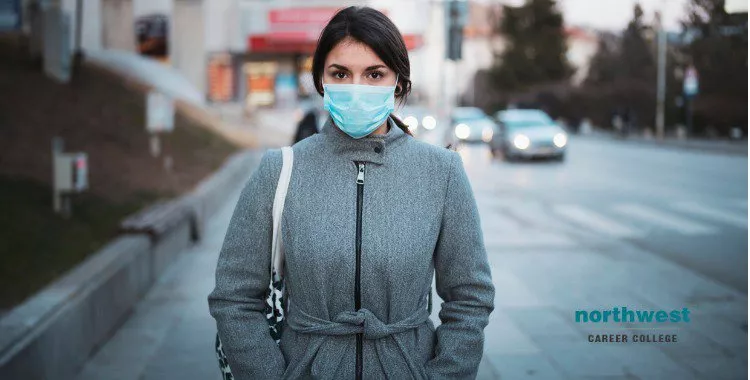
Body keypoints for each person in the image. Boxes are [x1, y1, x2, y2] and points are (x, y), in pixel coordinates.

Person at [208, 6, 495, 380]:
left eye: (374, 74)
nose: (357, 88)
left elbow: (470, 297)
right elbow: (234, 295)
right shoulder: (279, 169)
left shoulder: (442, 172)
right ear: (321, 81)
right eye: (340, 73)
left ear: (399, 82)